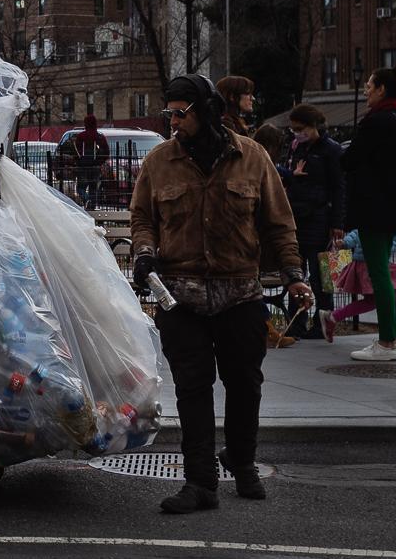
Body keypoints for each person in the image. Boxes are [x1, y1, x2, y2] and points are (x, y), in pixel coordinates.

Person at [130, 73, 311, 514]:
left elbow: (279, 222)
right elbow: (143, 219)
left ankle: (243, 463)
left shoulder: (252, 157)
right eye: (168, 112)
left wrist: (293, 275)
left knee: (244, 385)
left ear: (206, 111)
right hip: (181, 298)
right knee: (193, 389)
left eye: (180, 113)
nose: (172, 121)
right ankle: (200, 482)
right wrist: (145, 254)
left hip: (241, 295)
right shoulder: (159, 162)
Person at [338, 67, 396, 361]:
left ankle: (386, 342)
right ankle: (391, 337)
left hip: (374, 209)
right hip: (393, 209)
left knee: (379, 275)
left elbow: (350, 159)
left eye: (369, 85)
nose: (366, 90)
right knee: (382, 271)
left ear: (382, 89)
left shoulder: (375, 122)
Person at [281, 104, 345, 338]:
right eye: (294, 129)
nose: (296, 133)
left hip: (321, 217)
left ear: (313, 126)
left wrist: (337, 221)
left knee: (323, 276)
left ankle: (322, 322)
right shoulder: (297, 147)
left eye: (300, 128)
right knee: (296, 273)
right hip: (299, 215)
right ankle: (297, 321)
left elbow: (339, 187)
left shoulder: (331, 150)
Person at [322, 229, 396, 340]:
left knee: (372, 301)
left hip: (377, 264)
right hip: (367, 266)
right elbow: (357, 233)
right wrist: (345, 242)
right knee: (394, 295)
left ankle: (332, 316)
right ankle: (393, 335)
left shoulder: (394, 230)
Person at [74, 113, 111, 211]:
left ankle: (86, 200)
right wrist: (99, 162)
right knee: (93, 189)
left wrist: (79, 161)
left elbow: (75, 151)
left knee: (80, 188)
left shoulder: (81, 136)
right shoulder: (100, 137)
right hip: (95, 167)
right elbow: (107, 152)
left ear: (85, 124)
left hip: (83, 167)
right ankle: (92, 209)